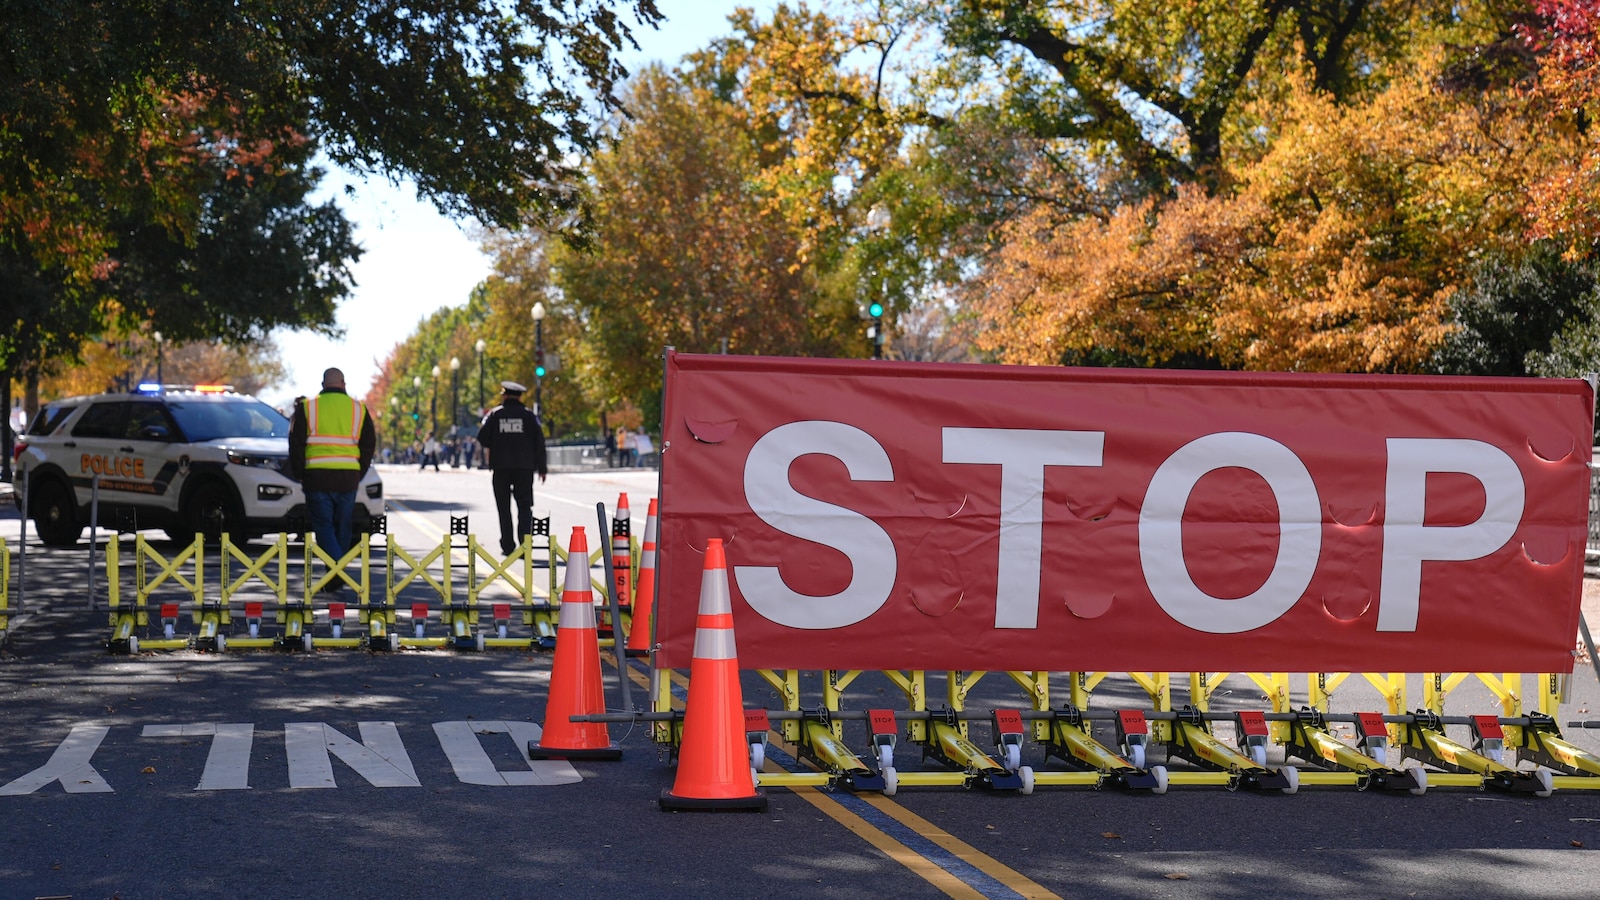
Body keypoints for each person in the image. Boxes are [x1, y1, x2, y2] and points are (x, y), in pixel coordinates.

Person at [288, 367, 377, 573]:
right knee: (343, 526)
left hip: (317, 476)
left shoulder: (308, 407)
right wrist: (359, 472)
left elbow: (296, 443)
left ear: (323, 385)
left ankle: (336, 572)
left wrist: (299, 473)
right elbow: (369, 444)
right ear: (343, 384)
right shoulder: (358, 409)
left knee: (324, 526)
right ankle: (337, 572)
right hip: (348, 478)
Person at [477, 380, 547, 556]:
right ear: (520, 396)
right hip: (524, 468)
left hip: (501, 467)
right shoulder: (529, 416)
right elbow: (539, 442)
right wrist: (542, 468)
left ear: (505, 395)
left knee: (504, 507)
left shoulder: (495, 414)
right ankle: (525, 545)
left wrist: (497, 441)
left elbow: (482, 438)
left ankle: (507, 545)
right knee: (525, 506)